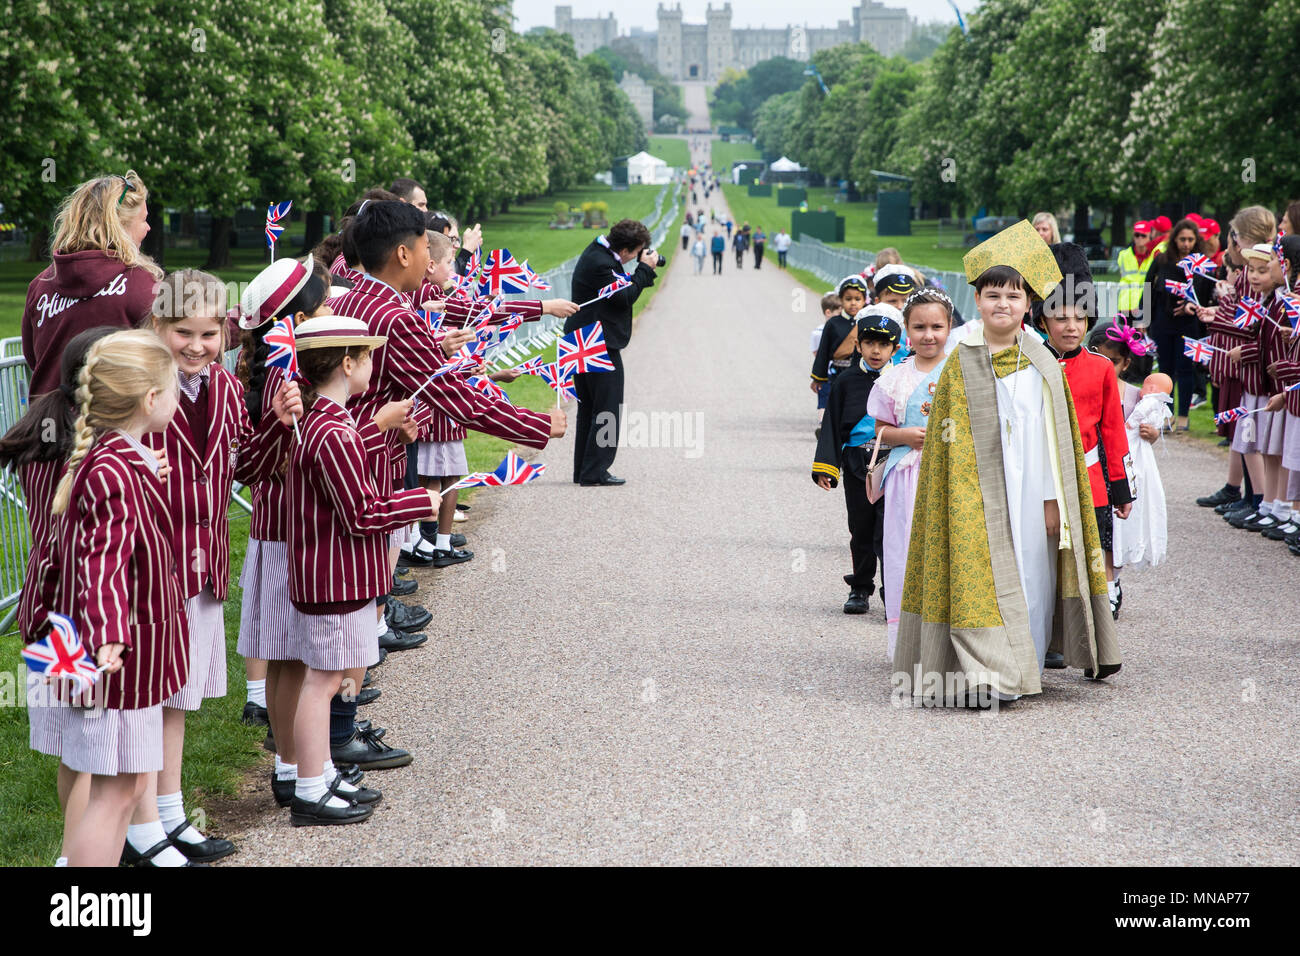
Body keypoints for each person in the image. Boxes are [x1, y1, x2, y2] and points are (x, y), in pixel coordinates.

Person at [893, 220, 1119, 706]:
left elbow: (1053, 442)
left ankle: (1025, 666)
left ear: (1028, 305)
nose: (1003, 305)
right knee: (985, 579)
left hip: (1032, 492)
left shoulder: (1041, 361)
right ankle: (987, 672)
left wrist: (1054, 501)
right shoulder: (962, 360)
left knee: (1032, 578)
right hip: (978, 494)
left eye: (1014, 296)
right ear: (977, 300)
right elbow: (945, 443)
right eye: (993, 295)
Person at [135, 270, 302, 864]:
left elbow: (246, 468)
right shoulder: (138, 386)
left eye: (211, 333)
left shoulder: (228, 390)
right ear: (157, 326)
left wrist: (279, 428)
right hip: (151, 562)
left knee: (179, 695)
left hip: (204, 562)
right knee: (147, 698)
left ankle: (172, 813)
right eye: (184, 332)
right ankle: (141, 825)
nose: (199, 345)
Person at [25, 330, 185, 866]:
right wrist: (107, 637)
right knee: (115, 793)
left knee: (127, 786)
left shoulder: (111, 457)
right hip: (115, 660)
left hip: (118, 656)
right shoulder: (115, 468)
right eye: (173, 387)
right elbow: (102, 562)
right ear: (149, 400)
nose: (178, 396)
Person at [285, 316, 439, 825]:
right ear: (347, 363)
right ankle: (310, 787)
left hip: (335, 573)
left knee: (325, 679)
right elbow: (362, 513)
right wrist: (421, 500)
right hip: (332, 575)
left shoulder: (332, 421)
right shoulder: (332, 429)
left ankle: (322, 771)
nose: (374, 364)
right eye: (369, 356)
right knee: (323, 681)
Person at [0, 326, 116, 867]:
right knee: (93, 756)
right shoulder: (94, 446)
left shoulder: (44, 427)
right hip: (78, 615)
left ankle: (78, 856)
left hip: (45, 610)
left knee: (77, 755)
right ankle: (77, 867)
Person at [1035, 245, 1134, 625]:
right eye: (1060, 317)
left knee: (1091, 553)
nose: (1071, 326)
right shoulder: (1028, 365)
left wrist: (1121, 487)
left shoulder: (1101, 368)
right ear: (1043, 320)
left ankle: (1097, 610)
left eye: (1080, 317)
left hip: (1090, 481)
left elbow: (1112, 432)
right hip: (1040, 481)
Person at [22, 171, 162, 397]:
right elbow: (174, 345)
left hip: (47, 423)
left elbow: (33, 357)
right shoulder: (141, 283)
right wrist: (238, 320)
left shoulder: (40, 285)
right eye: (144, 219)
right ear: (120, 226)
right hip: (112, 424)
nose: (148, 228)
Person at [868, 293, 952, 656]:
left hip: (950, 475)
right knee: (904, 550)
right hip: (907, 477)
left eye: (937, 326)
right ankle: (907, 641)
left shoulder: (960, 373)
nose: (928, 335)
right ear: (907, 331)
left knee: (946, 550)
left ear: (950, 327)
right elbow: (880, 430)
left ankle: (948, 638)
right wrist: (905, 436)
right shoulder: (895, 379)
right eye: (919, 327)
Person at [812, 308, 902, 615]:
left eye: (884, 344)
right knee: (860, 528)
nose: (876, 351)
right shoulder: (846, 381)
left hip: (891, 464)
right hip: (855, 465)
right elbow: (832, 427)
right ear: (858, 345)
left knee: (888, 529)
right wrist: (826, 466)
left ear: (895, 348)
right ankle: (860, 587)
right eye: (869, 343)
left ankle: (893, 591)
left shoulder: (901, 380)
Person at [1194, 206, 1276, 517]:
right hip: (1243, 365)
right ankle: (1254, 498)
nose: (1234, 242)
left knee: (1252, 436)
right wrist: (1216, 315)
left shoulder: (1252, 275)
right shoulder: (1246, 274)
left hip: (1251, 369)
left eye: (1237, 236)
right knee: (1246, 434)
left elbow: (1250, 325)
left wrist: (1220, 313)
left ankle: (1262, 501)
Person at [566, 218, 659, 486]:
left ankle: (584, 470)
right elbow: (623, 296)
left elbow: (621, 288)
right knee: (607, 410)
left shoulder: (599, 253)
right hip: (595, 342)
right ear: (628, 250)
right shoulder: (602, 263)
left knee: (590, 409)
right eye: (637, 251)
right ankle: (594, 472)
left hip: (584, 339)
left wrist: (640, 270)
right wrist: (644, 269)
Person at [1139, 217, 1205, 429]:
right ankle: (1166, 416)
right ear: (1174, 239)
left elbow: (1205, 292)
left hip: (1188, 324)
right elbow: (1148, 289)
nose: (1186, 244)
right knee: (1165, 371)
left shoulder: (1199, 263)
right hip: (1163, 322)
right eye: (1182, 239)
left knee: (1186, 369)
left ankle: (1183, 417)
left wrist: (1190, 305)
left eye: (1190, 239)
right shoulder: (1162, 261)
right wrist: (1143, 318)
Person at [811, 277, 872, 436]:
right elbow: (823, 351)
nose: (853, 303)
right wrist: (818, 377)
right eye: (848, 299)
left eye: (857, 299)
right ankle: (830, 432)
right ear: (840, 300)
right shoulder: (833, 323)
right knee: (836, 404)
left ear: (864, 300)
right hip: (837, 372)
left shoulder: (868, 322)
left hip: (860, 373)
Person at [1116, 220, 1155, 314]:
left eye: (1143, 235)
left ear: (1150, 236)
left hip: (1146, 306)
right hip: (1126, 307)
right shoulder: (1123, 255)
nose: (1140, 238)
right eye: (1137, 235)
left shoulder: (1154, 256)